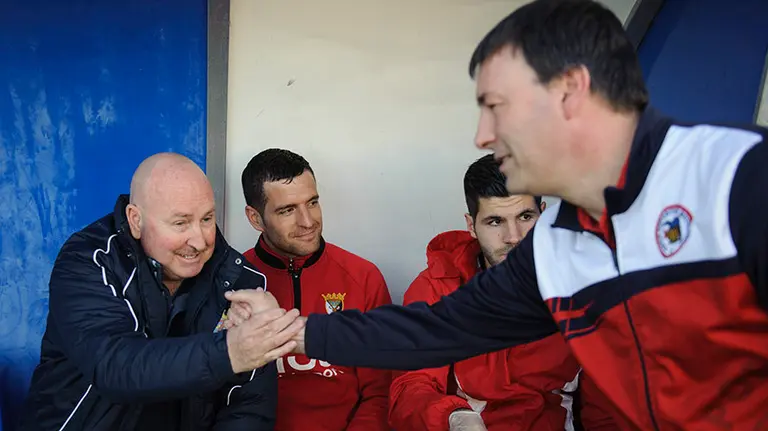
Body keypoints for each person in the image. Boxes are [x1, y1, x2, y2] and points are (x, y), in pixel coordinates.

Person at [228, 0, 768, 430]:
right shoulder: (558, 245)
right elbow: (439, 328)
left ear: (571, 92)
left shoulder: (739, 179)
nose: (484, 135)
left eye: (497, 107)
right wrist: (291, 333)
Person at [20, 152, 304, 431]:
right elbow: (115, 366)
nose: (200, 239)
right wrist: (230, 351)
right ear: (135, 220)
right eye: (180, 223)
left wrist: (261, 338)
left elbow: (250, 405)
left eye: (207, 219)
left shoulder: (239, 279)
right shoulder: (90, 260)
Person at [389, 154, 620, 431]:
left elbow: (606, 406)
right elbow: (410, 388)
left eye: (525, 216)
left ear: (543, 214)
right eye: (495, 222)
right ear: (471, 226)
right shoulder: (435, 289)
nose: (514, 237)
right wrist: (452, 417)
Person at [232, 148, 392, 431]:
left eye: (313, 202)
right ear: (255, 218)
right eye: (287, 210)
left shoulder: (363, 277)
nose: (308, 222)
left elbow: (379, 392)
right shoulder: (231, 283)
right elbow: (213, 394)